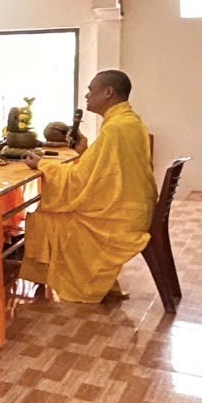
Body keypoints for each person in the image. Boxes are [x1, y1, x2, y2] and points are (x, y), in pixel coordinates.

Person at [22, 70, 159, 302]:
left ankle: (79, 284)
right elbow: (103, 174)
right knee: (53, 211)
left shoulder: (117, 128)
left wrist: (43, 164)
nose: (87, 95)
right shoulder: (127, 122)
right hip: (133, 207)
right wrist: (83, 152)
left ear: (108, 92)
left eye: (91, 90)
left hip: (120, 217)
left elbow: (82, 180)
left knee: (48, 216)